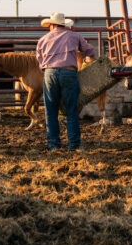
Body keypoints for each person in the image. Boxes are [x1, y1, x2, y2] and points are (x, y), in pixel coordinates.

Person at [35, 12, 96, 150]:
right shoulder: (75, 36)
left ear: (52, 25)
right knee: (72, 110)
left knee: (51, 111)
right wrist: (87, 58)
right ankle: (73, 145)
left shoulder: (43, 40)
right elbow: (90, 50)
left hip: (49, 73)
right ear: (64, 25)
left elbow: (40, 63)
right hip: (69, 72)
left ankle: (53, 145)